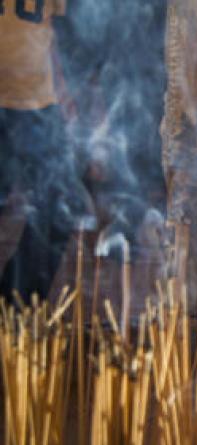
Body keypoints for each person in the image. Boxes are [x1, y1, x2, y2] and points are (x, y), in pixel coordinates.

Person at [0, 0, 92, 301]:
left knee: (61, 208)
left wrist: (63, 90)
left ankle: (18, 307)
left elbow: (50, 32)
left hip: (39, 108)